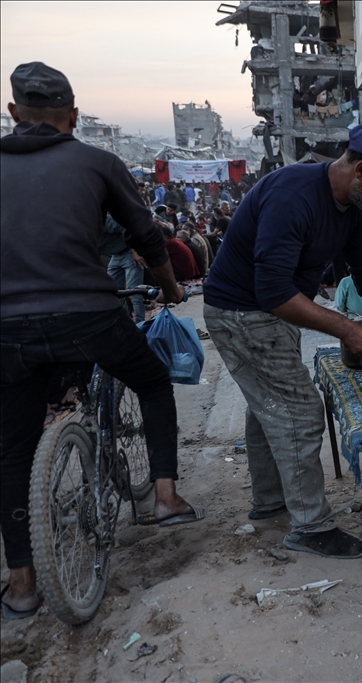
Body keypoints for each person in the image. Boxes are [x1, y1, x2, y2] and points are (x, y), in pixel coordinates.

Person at [1, 62, 199, 619]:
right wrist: (171, 289)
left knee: (12, 451)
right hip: (87, 316)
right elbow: (146, 236)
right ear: (73, 115)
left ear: (14, 114)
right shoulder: (96, 161)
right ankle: (163, 497)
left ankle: (21, 585)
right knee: (154, 381)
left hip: (8, 331)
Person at [202, 122, 362, 560]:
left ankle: (271, 502)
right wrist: (346, 327)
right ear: (361, 170)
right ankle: (310, 526)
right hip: (242, 312)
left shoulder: (351, 208)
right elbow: (272, 292)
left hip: (266, 309)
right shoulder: (295, 196)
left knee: (269, 403)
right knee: (299, 410)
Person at [100, 214, 147, 322]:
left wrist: (135, 251)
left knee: (133, 291)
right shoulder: (83, 231)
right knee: (113, 291)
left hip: (129, 253)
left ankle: (141, 324)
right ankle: (125, 322)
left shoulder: (103, 219)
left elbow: (128, 228)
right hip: (115, 256)